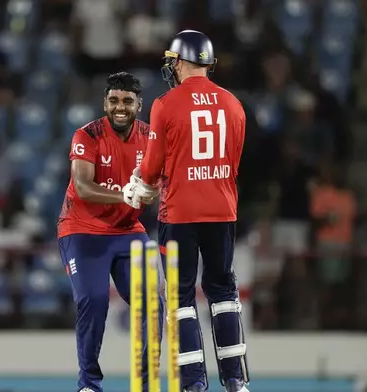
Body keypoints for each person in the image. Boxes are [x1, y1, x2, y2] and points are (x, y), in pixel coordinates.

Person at [123, 30, 250, 392]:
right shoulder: (233, 104)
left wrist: (142, 184)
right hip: (222, 210)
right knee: (224, 292)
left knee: (180, 297)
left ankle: (194, 384)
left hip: (179, 213)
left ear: (179, 62)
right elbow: (233, 163)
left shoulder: (165, 104)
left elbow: (151, 170)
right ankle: (236, 380)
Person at [57, 72, 162, 392]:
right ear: (105, 102)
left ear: (138, 105)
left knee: (153, 304)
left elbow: (162, 180)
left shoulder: (151, 137)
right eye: (114, 100)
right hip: (82, 229)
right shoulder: (86, 135)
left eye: (127, 101)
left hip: (128, 230)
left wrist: (153, 190)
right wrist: (126, 195)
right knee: (94, 299)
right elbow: (84, 187)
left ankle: (144, 385)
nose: (120, 107)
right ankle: (88, 384)